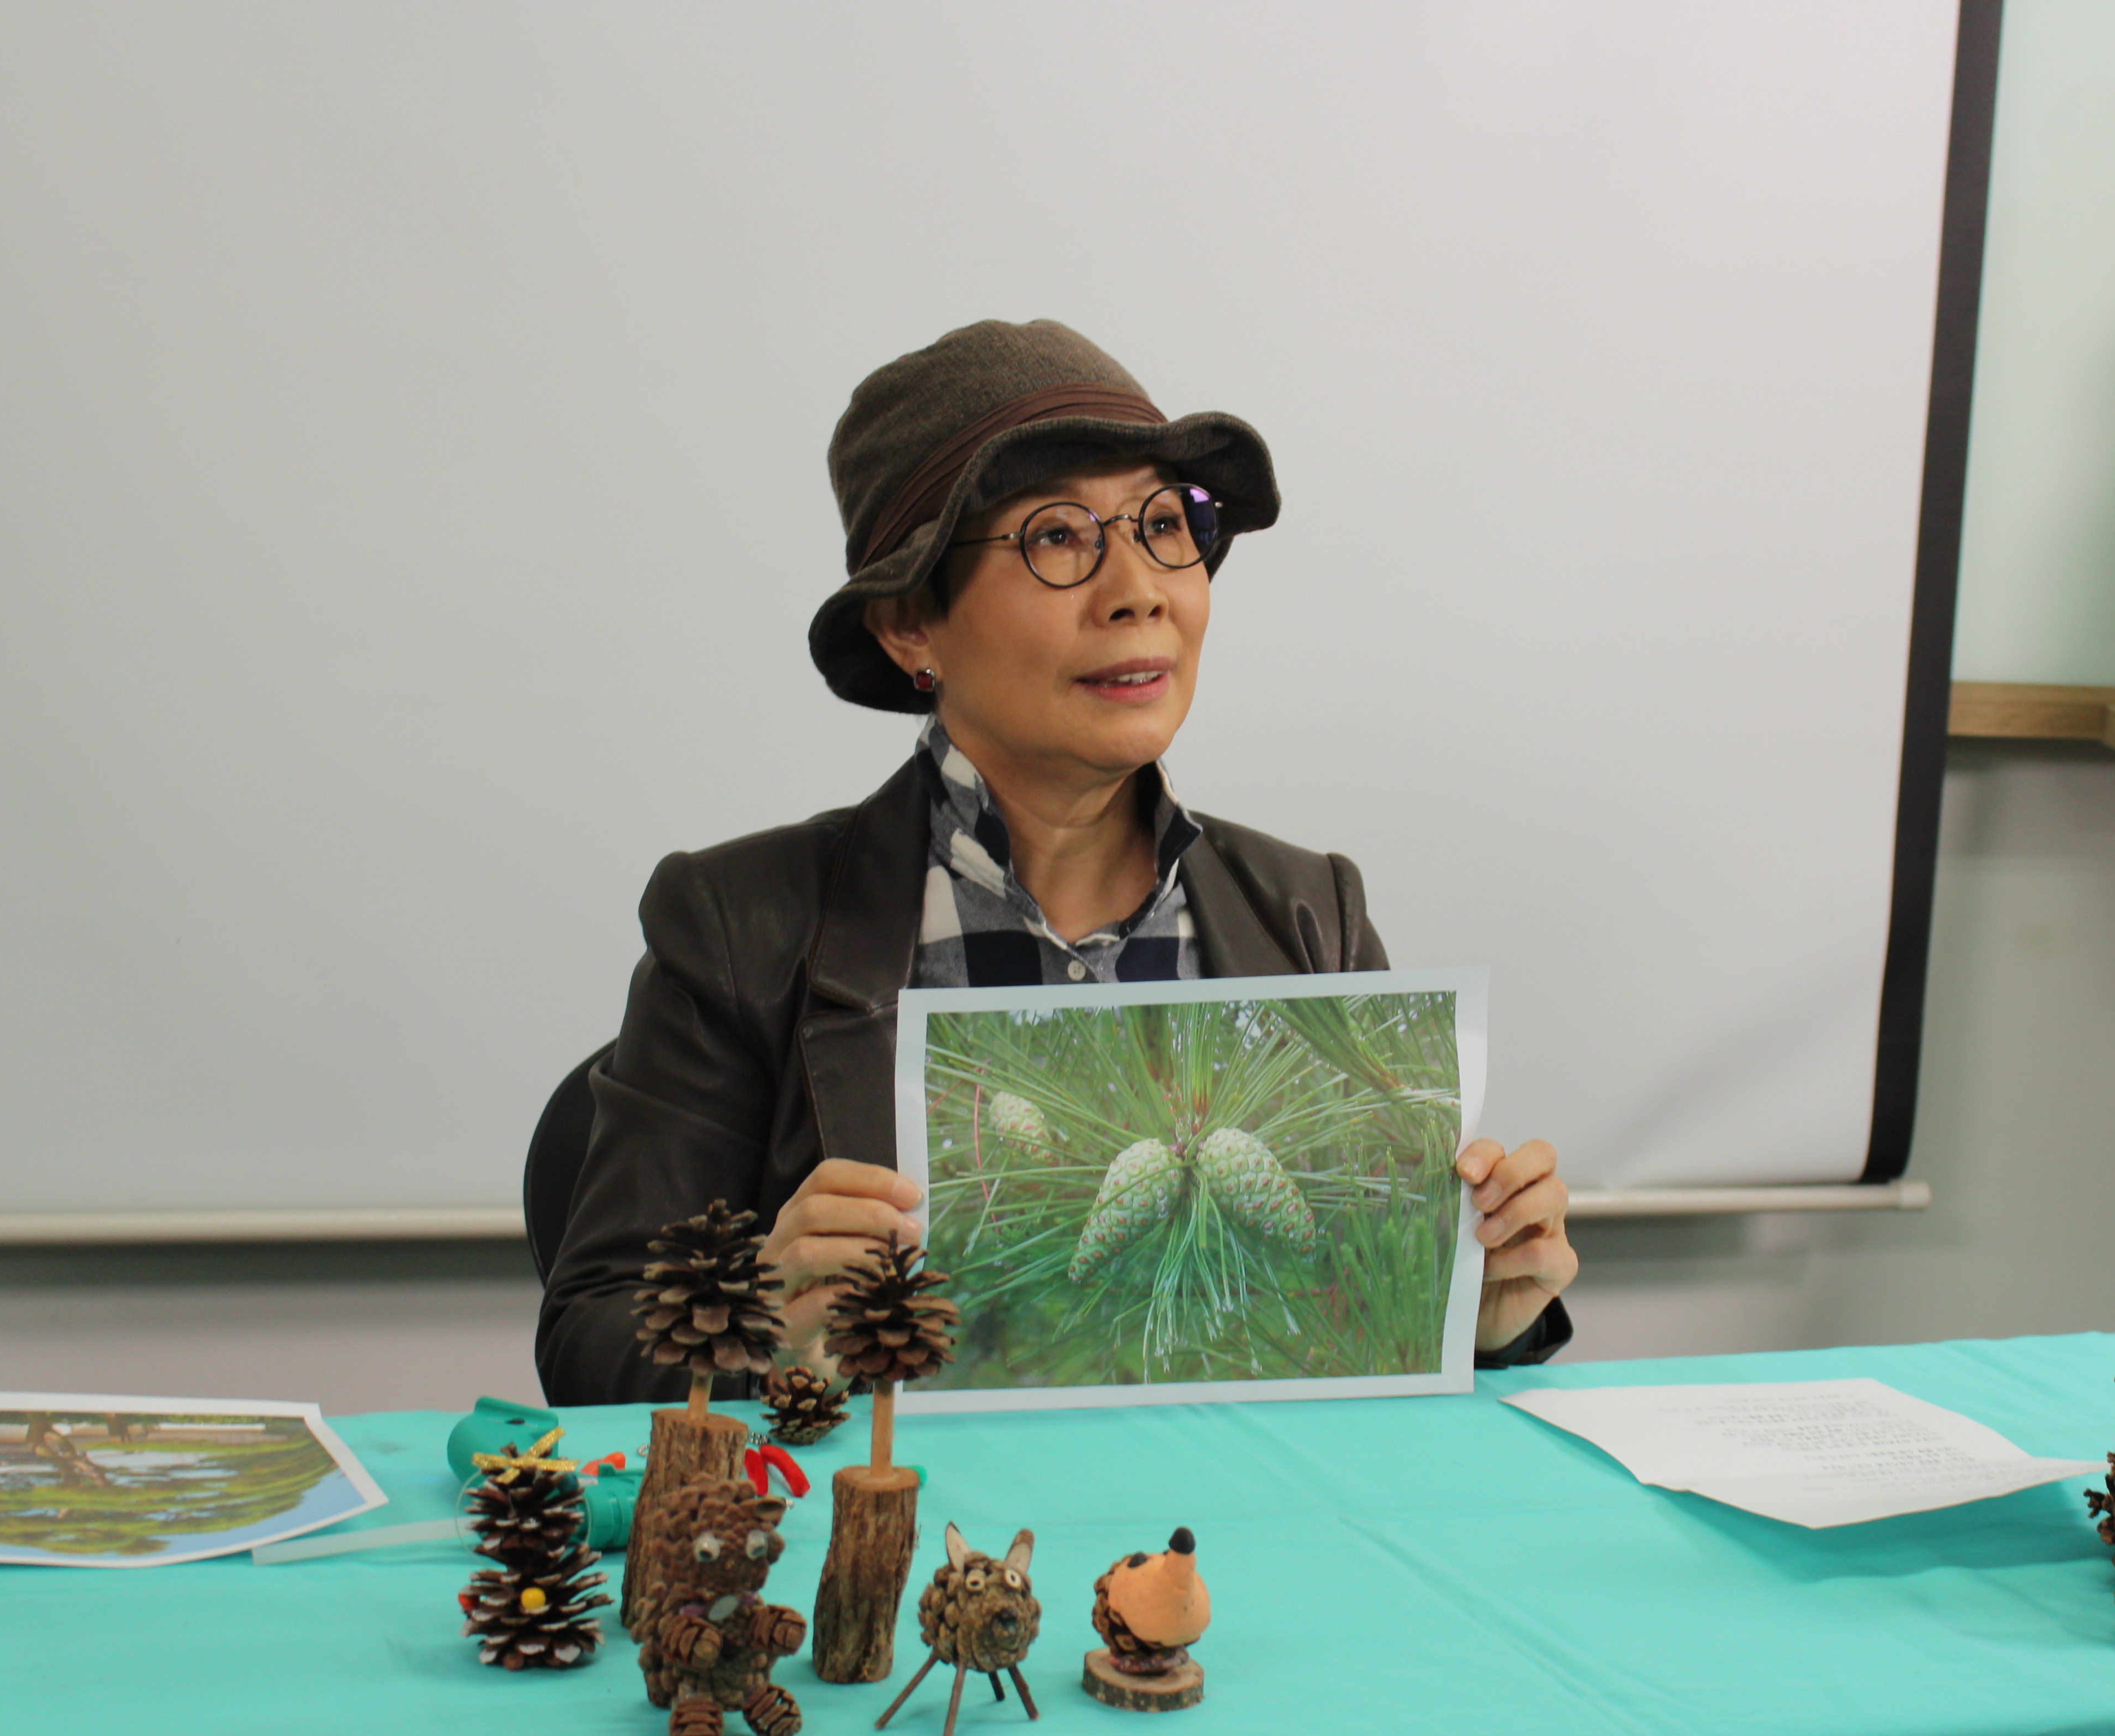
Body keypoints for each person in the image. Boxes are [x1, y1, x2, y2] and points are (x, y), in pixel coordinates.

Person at [535, 320, 1576, 1405]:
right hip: (903, 1507)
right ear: (909, 625)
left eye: (1163, 525)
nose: (1140, 591)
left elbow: (1354, 1325)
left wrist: (1482, 1306)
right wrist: (763, 1321)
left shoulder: (1311, 912)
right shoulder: (739, 925)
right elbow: (587, 1340)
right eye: (1057, 537)